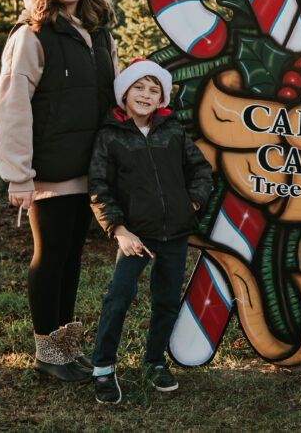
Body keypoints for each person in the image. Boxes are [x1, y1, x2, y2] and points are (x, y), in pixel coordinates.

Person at [0, 0, 118, 382]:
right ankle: (47, 353)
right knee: (49, 258)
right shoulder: (32, 35)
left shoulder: (98, 32)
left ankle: (64, 349)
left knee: (71, 259)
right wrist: (18, 175)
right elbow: (12, 106)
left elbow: (112, 93)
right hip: (48, 173)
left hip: (90, 167)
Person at [87, 59, 213, 405]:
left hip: (175, 233)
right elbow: (99, 187)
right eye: (139, 87)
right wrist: (119, 229)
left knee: (167, 298)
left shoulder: (173, 130)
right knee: (119, 296)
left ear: (162, 98)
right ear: (125, 93)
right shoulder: (109, 135)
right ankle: (103, 368)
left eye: (154, 89)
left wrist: (192, 204)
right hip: (136, 234)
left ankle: (155, 361)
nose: (146, 94)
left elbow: (201, 170)